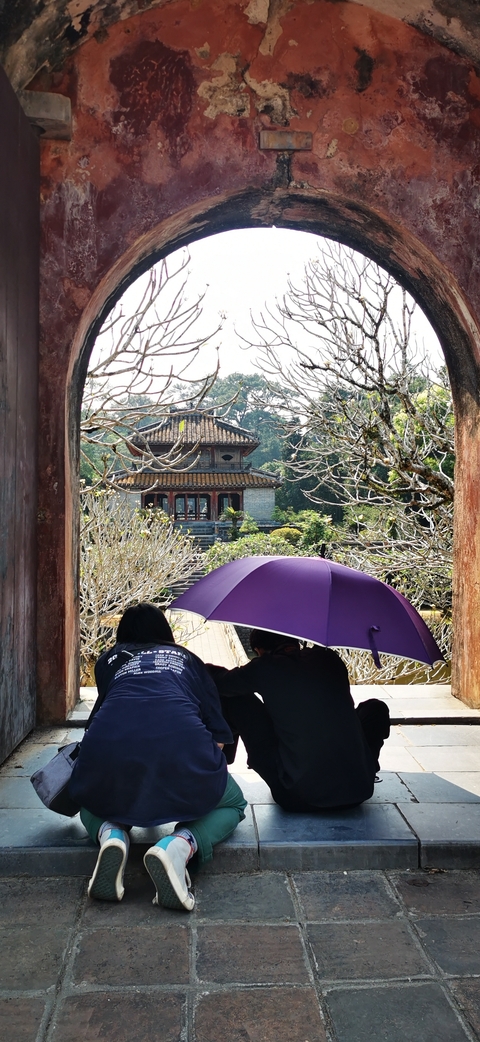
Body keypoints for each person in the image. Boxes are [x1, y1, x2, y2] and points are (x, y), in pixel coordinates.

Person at [69, 603, 246, 910]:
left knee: (87, 795)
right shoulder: (188, 660)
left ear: (123, 634)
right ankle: (179, 846)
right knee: (233, 803)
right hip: (181, 751)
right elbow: (219, 738)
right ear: (165, 632)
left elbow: (103, 719)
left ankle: (112, 835)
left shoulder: (109, 660)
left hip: (109, 751)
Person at [207, 629, 390, 812]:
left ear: (259, 650)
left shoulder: (265, 667)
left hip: (296, 796)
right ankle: (364, 770)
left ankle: (217, 769)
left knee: (234, 697)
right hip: (358, 791)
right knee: (375, 708)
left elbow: (220, 682)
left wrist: (193, 663)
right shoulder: (329, 658)